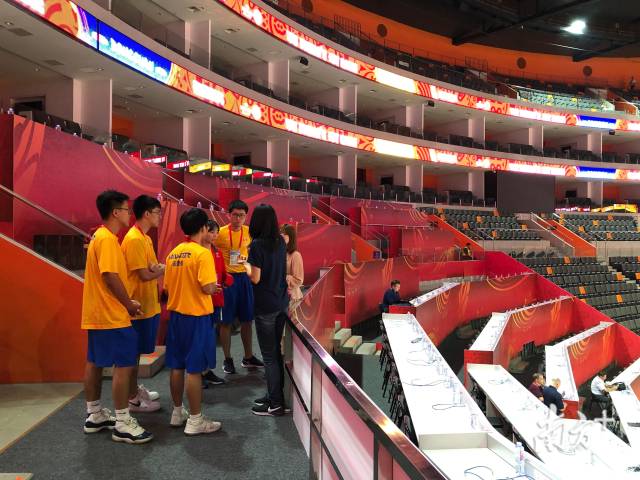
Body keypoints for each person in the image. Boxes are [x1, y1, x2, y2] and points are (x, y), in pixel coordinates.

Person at [81, 190, 153, 444]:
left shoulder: (100, 237)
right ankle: (123, 422)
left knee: (95, 361)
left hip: (97, 313)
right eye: (126, 209)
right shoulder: (108, 240)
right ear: (115, 212)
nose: (129, 214)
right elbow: (110, 276)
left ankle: (95, 414)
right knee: (124, 365)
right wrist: (128, 304)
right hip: (111, 314)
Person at [164, 208, 222, 435]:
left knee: (177, 366)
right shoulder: (202, 254)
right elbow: (207, 287)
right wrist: (214, 287)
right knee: (195, 369)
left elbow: (167, 287)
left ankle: (177, 412)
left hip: (176, 317)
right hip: (196, 317)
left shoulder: (174, 253)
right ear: (203, 228)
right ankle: (196, 420)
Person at [244, 204, 290, 416]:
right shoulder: (280, 241)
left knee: (269, 356)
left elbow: (255, 278)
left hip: (265, 306)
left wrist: (244, 264)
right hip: (281, 303)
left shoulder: (256, 246)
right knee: (275, 354)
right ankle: (274, 395)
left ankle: (276, 403)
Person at [121, 195, 164, 413]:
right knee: (131, 355)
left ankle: (133, 391)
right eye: (157, 212)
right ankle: (131, 398)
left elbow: (151, 267)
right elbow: (144, 274)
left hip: (147, 304)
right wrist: (162, 270)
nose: (159, 217)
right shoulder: (134, 239)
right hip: (137, 307)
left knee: (136, 354)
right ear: (146, 214)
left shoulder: (144, 238)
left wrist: (157, 269)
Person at [214, 200, 264, 374]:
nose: (238, 219)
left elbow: (249, 253)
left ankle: (248, 357)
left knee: (247, 320)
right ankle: (227, 359)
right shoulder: (220, 233)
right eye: (235, 215)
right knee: (225, 322)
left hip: (244, 279)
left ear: (246, 216)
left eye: (241, 215)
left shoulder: (249, 232)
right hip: (227, 280)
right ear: (229, 215)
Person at [201, 219, 234, 387]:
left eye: (216, 232)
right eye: (211, 231)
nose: (214, 235)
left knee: (210, 335)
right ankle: (199, 372)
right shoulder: (197, 251)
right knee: (201, 336)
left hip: (216, 299)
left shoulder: (217, 252)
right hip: (200, 301)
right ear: (202, 231)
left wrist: (228, 280)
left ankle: (206, 370)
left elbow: (223, 274)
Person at [280, 223, 304, 310]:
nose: (281, 235)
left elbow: (298, 280)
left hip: (292, 298)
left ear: (290, 237)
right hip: (279, 296)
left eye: (284, 233)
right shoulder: (279, 253)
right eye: (280, 233)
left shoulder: (295, 255)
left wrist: (281, 277)